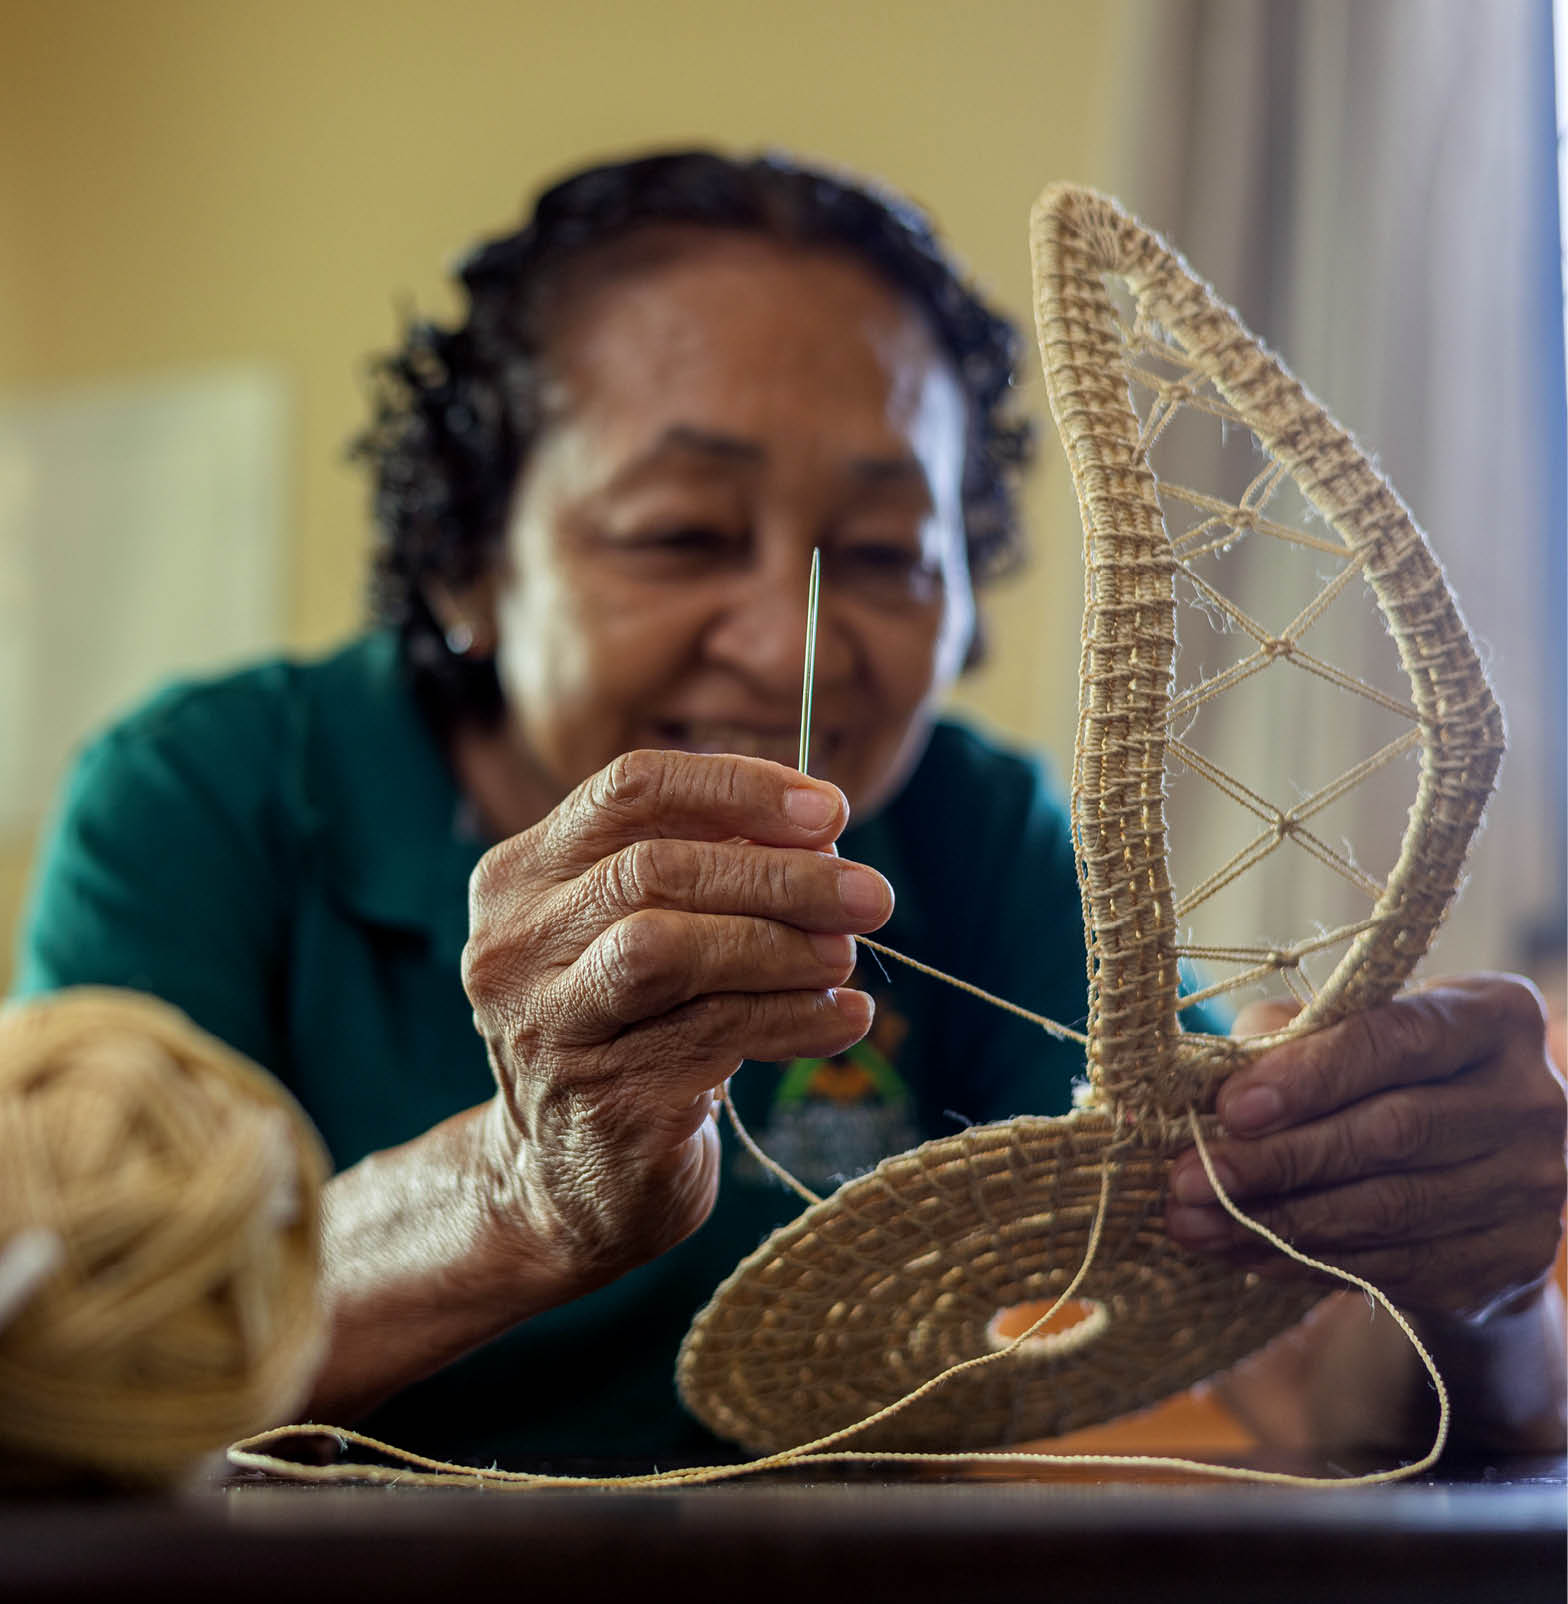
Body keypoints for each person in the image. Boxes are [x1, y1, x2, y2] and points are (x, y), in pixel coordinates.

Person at [14, 151, 1565, 1469]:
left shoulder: (980, 835)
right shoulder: (204, 799)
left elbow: (1314, 1387)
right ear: (466, 566)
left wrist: (1464, 1278)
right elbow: (74, 1357)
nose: (793, 640)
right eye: (684, 531)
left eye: (887, 552)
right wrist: (520, 1186)